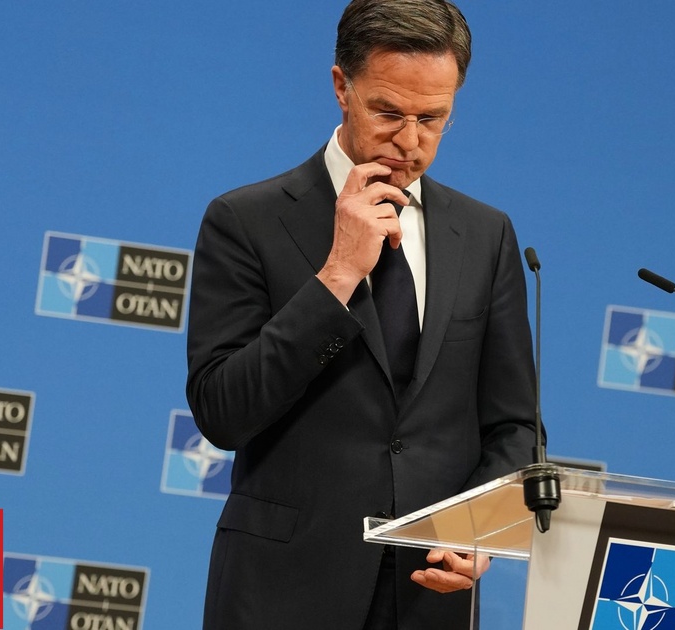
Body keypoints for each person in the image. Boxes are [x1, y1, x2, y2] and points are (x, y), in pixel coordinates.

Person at [185, 0, 538, 627]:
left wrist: (480, 531)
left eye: (432, 118)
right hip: (281, 593)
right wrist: (338, 275)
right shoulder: (246, 220)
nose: (410, 141)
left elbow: (516, 427)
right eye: (389, 113)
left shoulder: (486, 236)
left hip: (429, 598)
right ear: (341, 87)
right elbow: (223, 411)